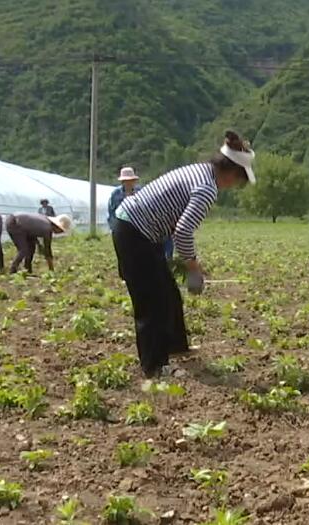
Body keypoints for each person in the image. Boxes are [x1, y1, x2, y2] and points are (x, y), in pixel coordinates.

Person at [112, 130, 255, 377]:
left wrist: (187, 261)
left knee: (168, 293)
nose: (234, 186)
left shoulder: (200, 170)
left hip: (141, 230)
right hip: (135, 233)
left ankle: (176, 347)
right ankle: (155, 367)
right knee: (151, 303)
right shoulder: (207, 188)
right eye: (238, 180)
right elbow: (183, 231)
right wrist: (192, 267)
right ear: (231, 172)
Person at [5, 212, 72, 274]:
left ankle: (27, 270)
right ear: (58, 227)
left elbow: (33, 231)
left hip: (17, 222)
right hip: (15, 223)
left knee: (31, 247)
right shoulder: (47, 229)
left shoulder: (45, 220)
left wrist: (38, 245)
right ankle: (12, 270)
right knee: (23, 249)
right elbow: (47, 249)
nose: (60, 233)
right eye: (61, 231)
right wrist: (51, 269)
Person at [108, 167, 140, 232]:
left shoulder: (140, 192)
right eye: (126, 181)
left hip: (137, 225)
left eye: (131, 180)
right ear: (122, 182)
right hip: (120, 225)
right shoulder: (115, 194)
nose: (129, 183)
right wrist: (114, 227)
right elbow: (111, 211)